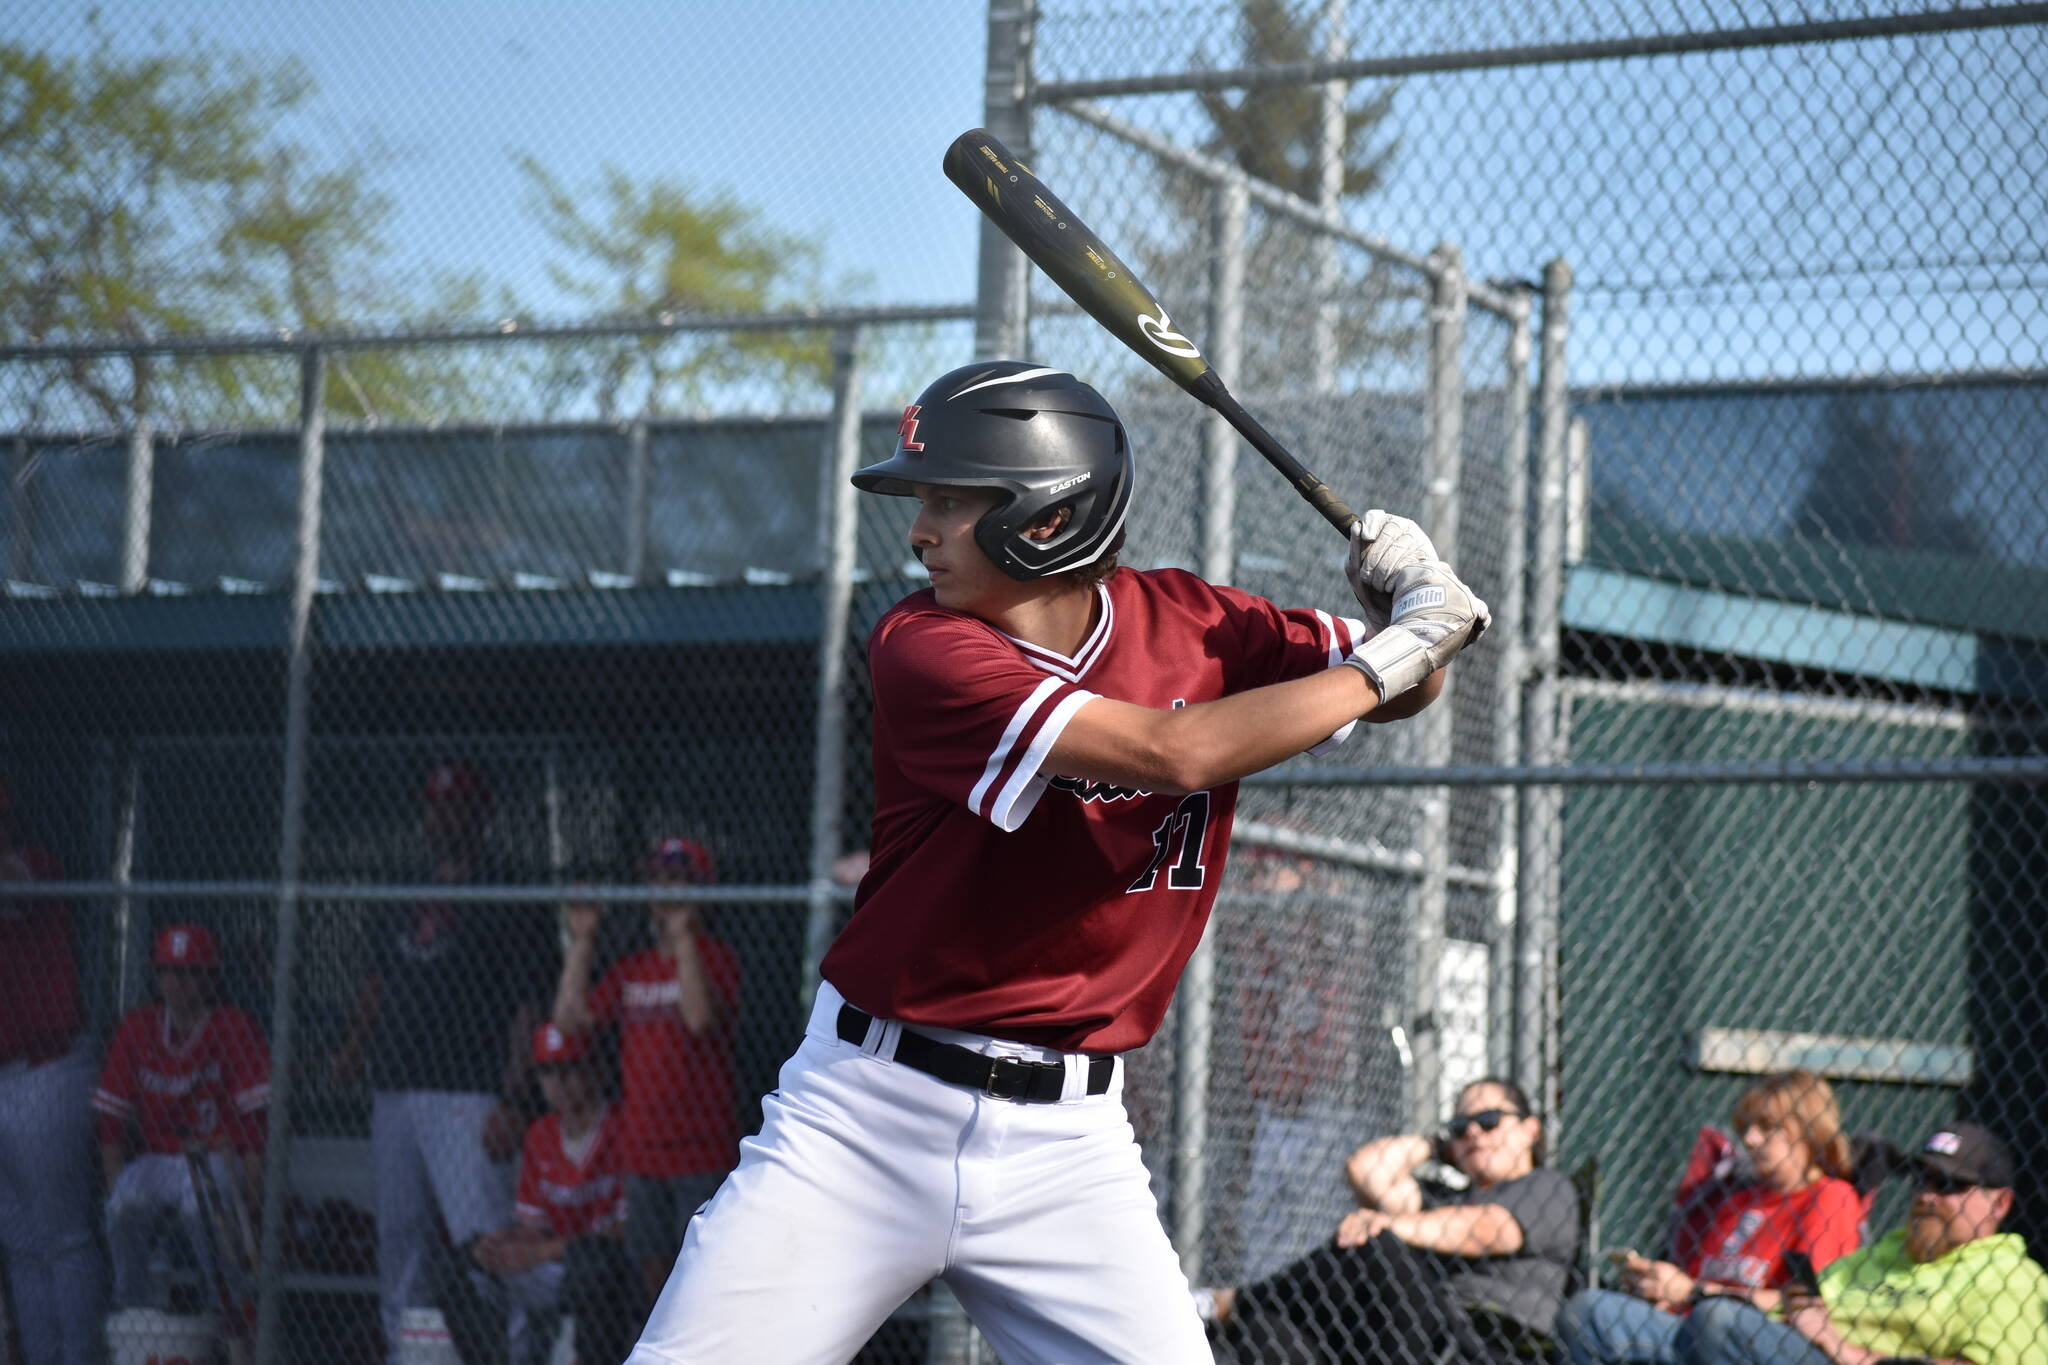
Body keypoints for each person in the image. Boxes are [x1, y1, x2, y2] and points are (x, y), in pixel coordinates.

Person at [623, 359, 1490, 1364]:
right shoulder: (921, 645)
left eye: (951, 501)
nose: (919, 530)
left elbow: (1398, 690)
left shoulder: (1199, 623)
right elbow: (1177, 753)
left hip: (1067, 1149)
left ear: (1043, 517)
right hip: (867, 1117)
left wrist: (1415, 609)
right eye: (923, 501)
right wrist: (1397, 650)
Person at [329, 761, 556, 1364]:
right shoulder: (404, 887)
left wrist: (513, 1096)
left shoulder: (507, 890)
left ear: (481, 818)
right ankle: (411, 1358)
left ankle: (510, 1357)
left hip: (469, 1091)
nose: (440, 818)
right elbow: (379, 978)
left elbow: (528, 1002)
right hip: (396, 1088)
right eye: (434, 806)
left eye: (455, 807)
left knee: (483, 1243)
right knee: (400, 1242)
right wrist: (354, 1046)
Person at [1200, 1077, 1580, 1365]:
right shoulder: (1444, 1200)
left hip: (1478, 1345)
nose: (1474, 1133)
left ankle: (1232, 1301)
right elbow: (1365, 1169)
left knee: (1376, 1243)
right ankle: (1229, 1317)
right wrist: (1437, 1143)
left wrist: (1389, 1225)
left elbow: (1487, 1230)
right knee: (1264, 1330)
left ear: (1530, 1130)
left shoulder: (1549, 1187)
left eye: (1489, 1120)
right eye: (1461, 1127)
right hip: (1398, 1333)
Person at [1673, 1122, 2048, 1365]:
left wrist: (1841, 1348)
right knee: (1615, 1316)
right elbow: (1787, 1313)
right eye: (1921, 1180)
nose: (1925, 1196)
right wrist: (1796, 1309)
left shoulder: (2011, 1278)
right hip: (1790, 1348)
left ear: (2000, 1203)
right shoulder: (1878, 1254)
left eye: (1949, 1184)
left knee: (1717, 1322)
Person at [1556, 1070, 1866, 1365]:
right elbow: (1692, 1284)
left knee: (1716, 1318)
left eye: (1767, 1126)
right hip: (1689, 1327)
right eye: (1746, 1127)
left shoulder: (1830, 1198)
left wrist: (1694, 1293)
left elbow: (1811, 1307)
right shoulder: (1737, 1198)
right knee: (1588, 1311)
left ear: (1808, 1130)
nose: (1751, 1139)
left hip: (1758, 1337)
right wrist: (1661, 1290)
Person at [553, 835, 739, 1306]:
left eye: (676, 881)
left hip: (699, 1153)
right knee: (655, 1290)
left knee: (703, 1285)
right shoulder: (632, 967)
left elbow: (698, 1018)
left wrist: (683, 939)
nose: (664, 891)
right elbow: (569, 1023)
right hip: (643, 1154)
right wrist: (583, 941)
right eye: (657, 879)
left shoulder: (717, 958)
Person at [94, 924, 272, 1314]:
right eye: (168, 971)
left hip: (218, 1158)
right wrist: (116, 1184)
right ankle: (134, 1310)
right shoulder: (138, 1027)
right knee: (122, 1204)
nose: (177, 983)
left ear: (211, 977)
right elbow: (110, 1123)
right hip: (158, 1157)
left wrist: (256, 1192)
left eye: (190, 972)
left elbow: (258, 1124)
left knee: (199, 1206)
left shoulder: (234, 1026)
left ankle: (226, 1309)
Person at [433, 1024, 636, 1365]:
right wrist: (501, 1244)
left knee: (594, 1265)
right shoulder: (540, 1134)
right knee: (463, 1262)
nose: (559, 1082)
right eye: (548, 1071)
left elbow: (624, 1230)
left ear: (598, 1071)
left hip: (607, 1273)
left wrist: (541, 1251)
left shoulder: (623, 1126)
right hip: (553, 1265)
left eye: (570, 1068)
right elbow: (533, 1227)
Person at [0, 775, 107, 1365]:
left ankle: (80, 1357)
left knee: (63, 1238)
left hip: (50, 1069)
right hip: (4, 1077)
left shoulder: (35, 864)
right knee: (20, 1244)